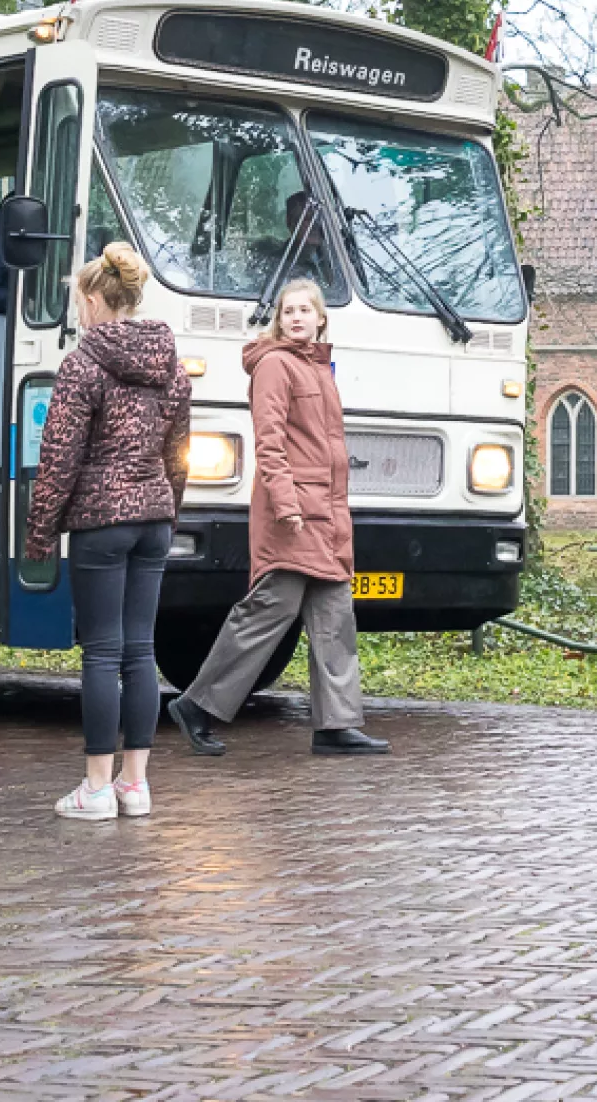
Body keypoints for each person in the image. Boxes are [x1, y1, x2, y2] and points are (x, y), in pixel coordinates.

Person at [167, 279, 390, 757]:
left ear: (320, 318)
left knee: (335, 617)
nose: (295, 318)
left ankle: (336, 724)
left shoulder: (319, 368)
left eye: (304, 311)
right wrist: (287, 505)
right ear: (279, 319)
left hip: (325, 515)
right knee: (268, 611)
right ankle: (198, 706)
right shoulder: (274, 365)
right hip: (294, 514)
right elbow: (269, 443)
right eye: (288, 311)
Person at [24, 243, 192, 820]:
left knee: (101, 652)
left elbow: (60, 457)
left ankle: (95, 788)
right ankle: (135, 784)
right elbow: (178, 449)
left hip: (101, 520)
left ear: (96, 299)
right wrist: (170, 508)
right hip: (152, 517)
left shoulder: (83, 362)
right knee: (140, 650)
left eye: (80, 300)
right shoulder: (168, 361)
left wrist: (40, 532)